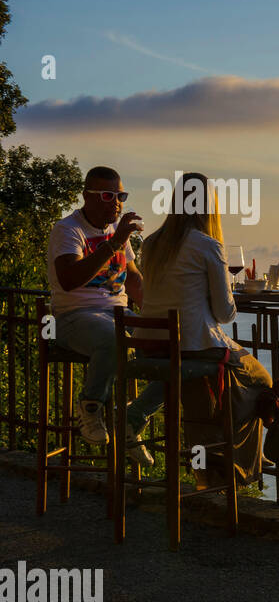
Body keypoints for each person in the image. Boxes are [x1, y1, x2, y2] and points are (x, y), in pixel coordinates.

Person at [138, 173, 279, 488]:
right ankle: (244, 457)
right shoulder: (208, 245)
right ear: (210, 207)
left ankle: (214, 468)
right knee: (261, 380)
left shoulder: (151, 243)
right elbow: (224, 313)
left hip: (152, 342)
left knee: (205, 387)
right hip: (193, 344)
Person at [45, 165, 162, 464]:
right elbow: (70, 279)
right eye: (108, 195)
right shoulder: (68, 230)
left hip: (118, 313)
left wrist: (159, 312)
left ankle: (131, 420)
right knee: (114, 340)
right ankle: (91, 406)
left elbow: (133, 278)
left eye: (120, 195)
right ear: (87, 196)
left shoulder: (116, 232)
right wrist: (113, 243)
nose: (117, 202)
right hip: (74, 316)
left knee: (178, 345)